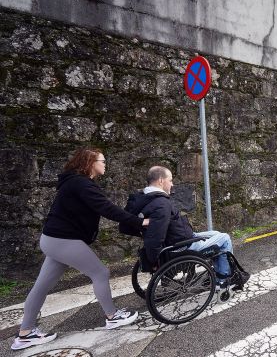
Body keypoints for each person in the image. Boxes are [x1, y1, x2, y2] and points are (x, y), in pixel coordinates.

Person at [11, 147, 150, 351]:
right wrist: (140, 222)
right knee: (100, 272)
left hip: (53, 239)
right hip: (62, 240)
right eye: (102, 161)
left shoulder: (77, 182)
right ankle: (112, 317)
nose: (105, 164)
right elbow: (107, 208)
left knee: (42, 286)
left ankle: (25, 334)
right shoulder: (81, 184)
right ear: (90, 162)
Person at [124, 166, 249, 287]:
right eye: (170, 180)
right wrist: (154, 261)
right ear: (161, 181)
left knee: (216, 234)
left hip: (180, 238)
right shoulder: (161, 204)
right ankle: (223, 279)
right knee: (225, 239)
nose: (172, 184)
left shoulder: (144, 198)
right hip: (182, 246)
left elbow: (138, 227)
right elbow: (156, 236)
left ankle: (217, 271)